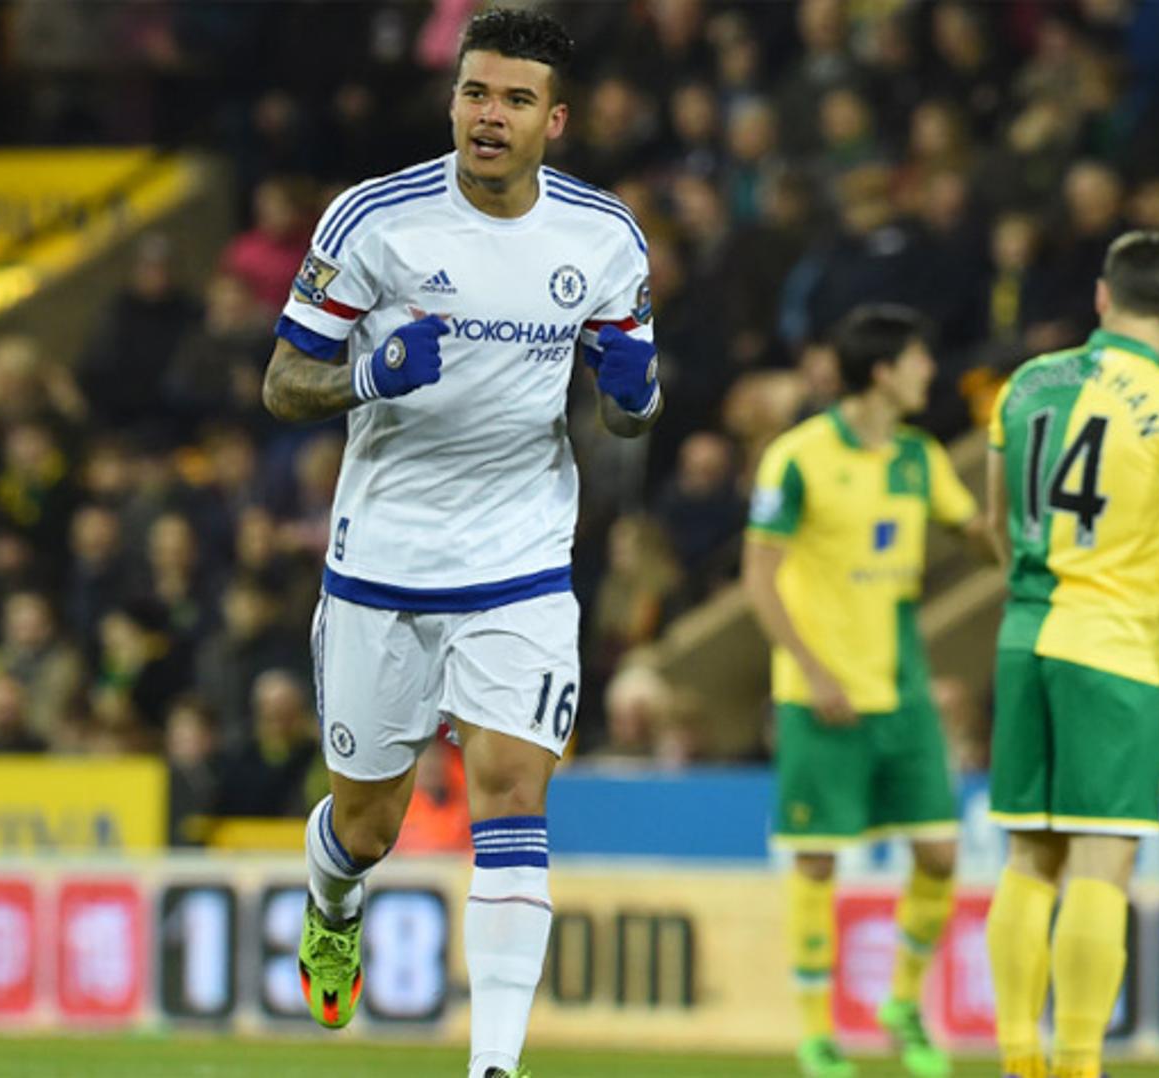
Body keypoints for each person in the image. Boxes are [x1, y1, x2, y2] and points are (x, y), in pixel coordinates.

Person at [259, 11, 661, 1078]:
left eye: (515, 100)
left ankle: (493, 1065)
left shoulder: (604, 239)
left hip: (521, 556)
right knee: (370, 822)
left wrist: (635, 396)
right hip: (381, 562)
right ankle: (331, 896)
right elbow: (282, 380)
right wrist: (366, 375)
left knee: (514, 794)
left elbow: (630, 407)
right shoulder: (373, 222)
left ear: (554, 120)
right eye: (476, 94)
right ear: (453, 102)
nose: (491, 116)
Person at [982, 231, 1159, 1078]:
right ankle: (1081, 1063)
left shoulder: (1024, 385)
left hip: (1024, 639)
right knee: (1103, 856)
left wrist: (1033, 585)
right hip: (1114, 651)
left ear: (1102, 297)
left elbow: (995, 522)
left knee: (1029, 858)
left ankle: (1019, 1059)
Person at [742, 304, 999, 1078]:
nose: (931, 372)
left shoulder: (920, 457)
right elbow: (759, 579)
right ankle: (818, 1033)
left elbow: (980, 540)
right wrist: (815, 671)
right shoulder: (797, 458)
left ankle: (900, 1004)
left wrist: (1018, 504)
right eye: (920, 360)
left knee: (941, 852)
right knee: (818, 861)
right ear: (884, 372)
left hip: (904, 691)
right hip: (818, 695)